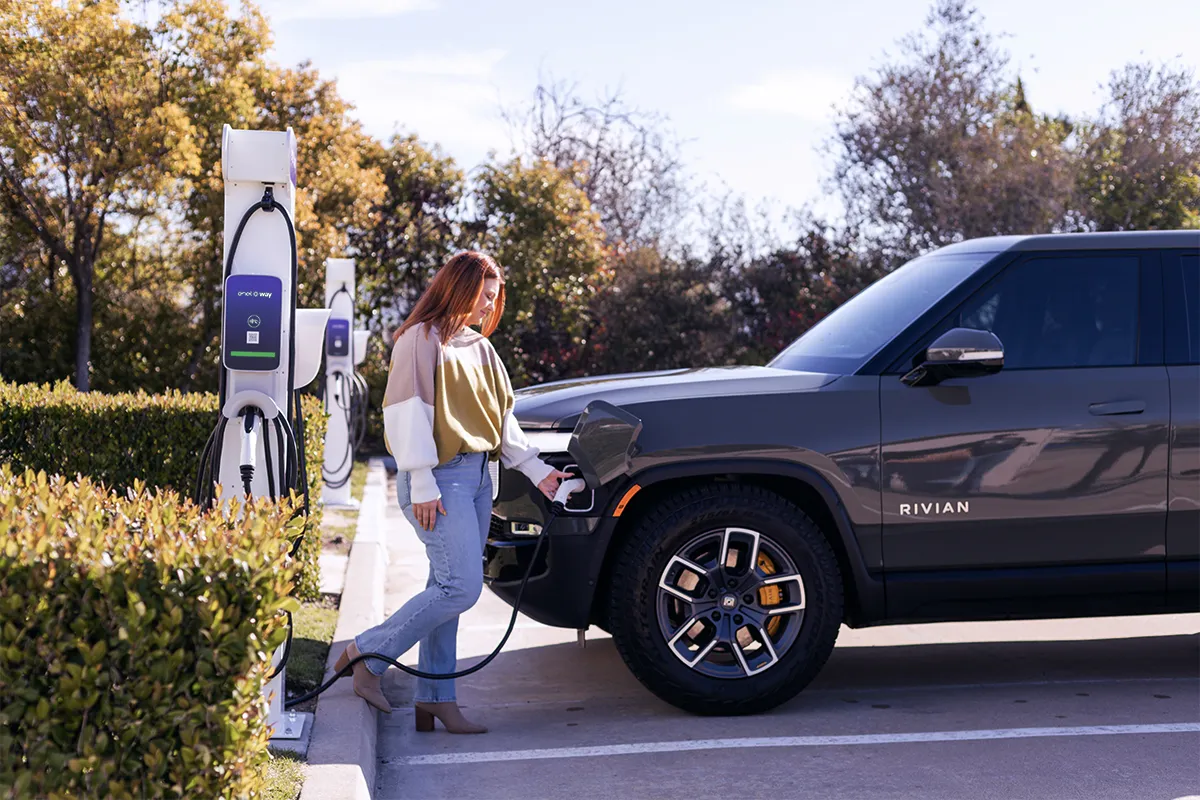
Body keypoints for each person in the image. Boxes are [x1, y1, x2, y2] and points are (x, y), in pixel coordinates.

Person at [333, 251, 572, 734]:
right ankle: (365, 654)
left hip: (481, 479)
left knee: (442, 588)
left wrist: (539, 471)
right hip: (438, 480)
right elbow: (406, 415)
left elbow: (502, 421)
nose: (489, 306)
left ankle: (437, 699)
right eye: (484, 296)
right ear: (459, 289)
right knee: (459, 587)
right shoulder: (419, 341)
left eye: (494, 297)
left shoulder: (479, 348)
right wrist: (420, 479)